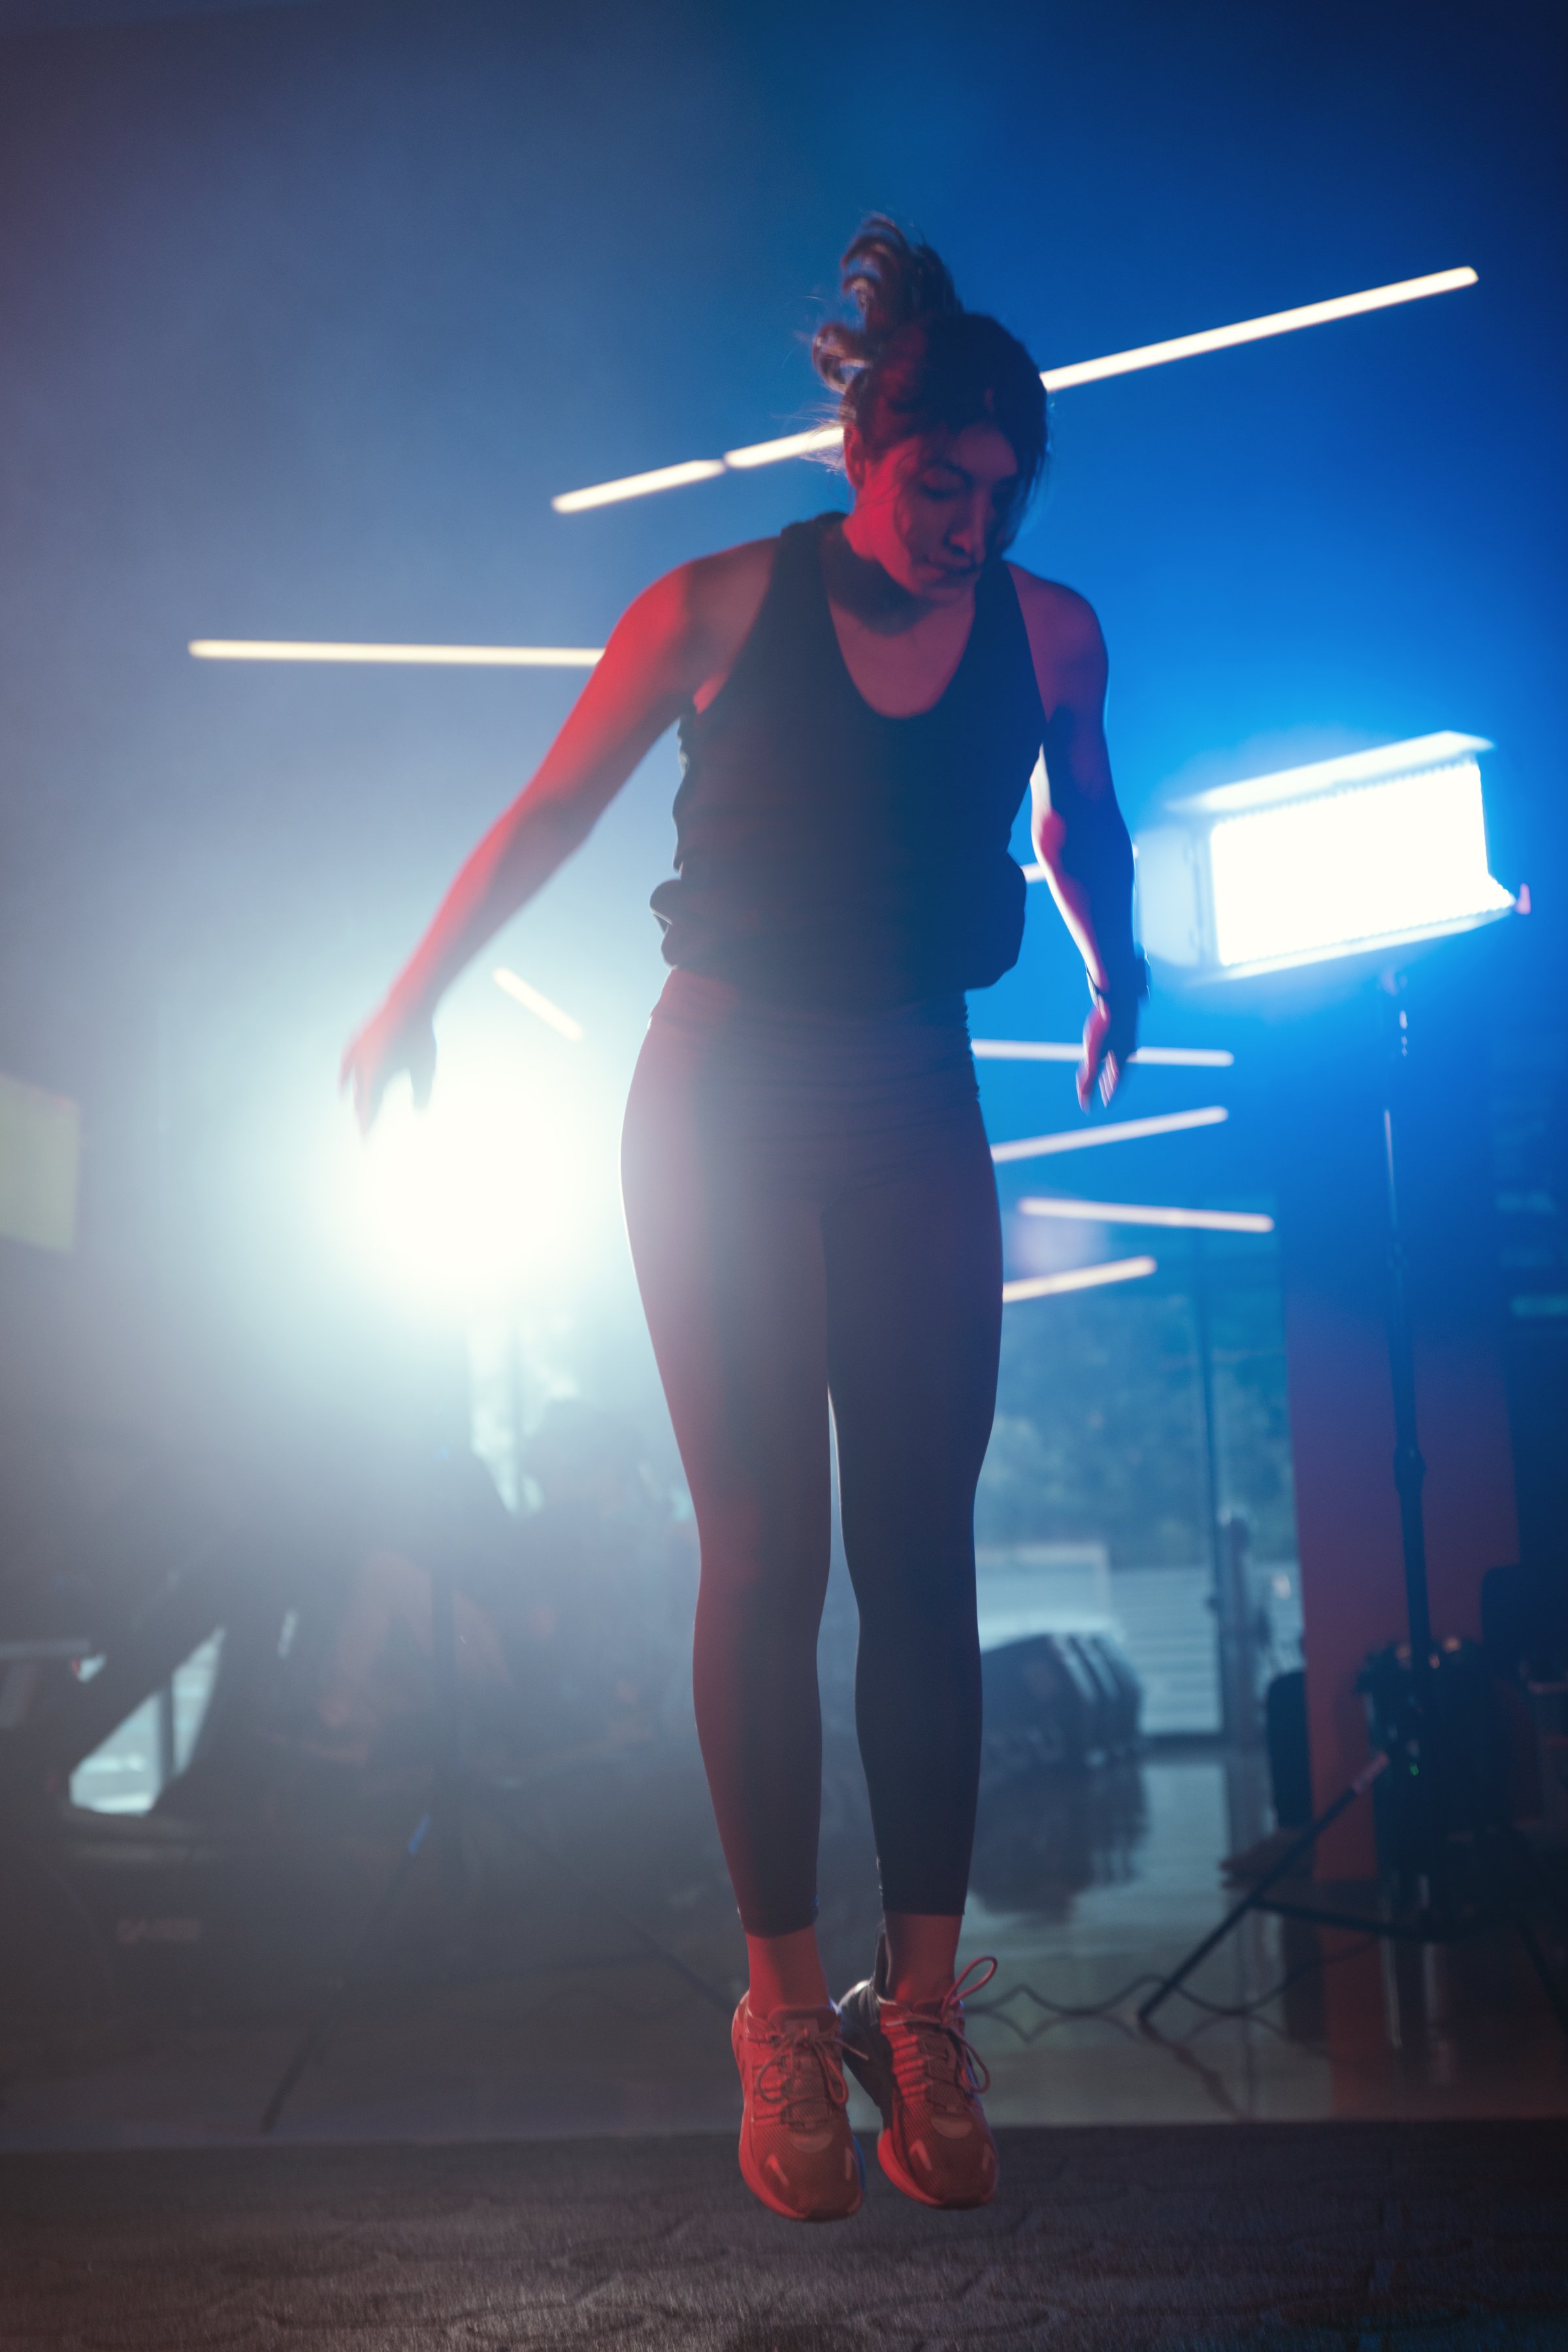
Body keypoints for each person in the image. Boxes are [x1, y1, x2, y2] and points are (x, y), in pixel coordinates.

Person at [341, 218, 1143, 2223]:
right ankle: (786, 2021)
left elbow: (1083, 819)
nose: (969, 523)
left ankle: (926, 2007)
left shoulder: (1052, 637)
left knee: (919, 1553)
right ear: (861, 452)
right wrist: (416, 990)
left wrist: (1122, 966)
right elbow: (550, 809)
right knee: (765, 1548)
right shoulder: (709, 607)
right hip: (714, 1100)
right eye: (936, 485)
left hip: (913, 1102)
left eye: (1000, 494)